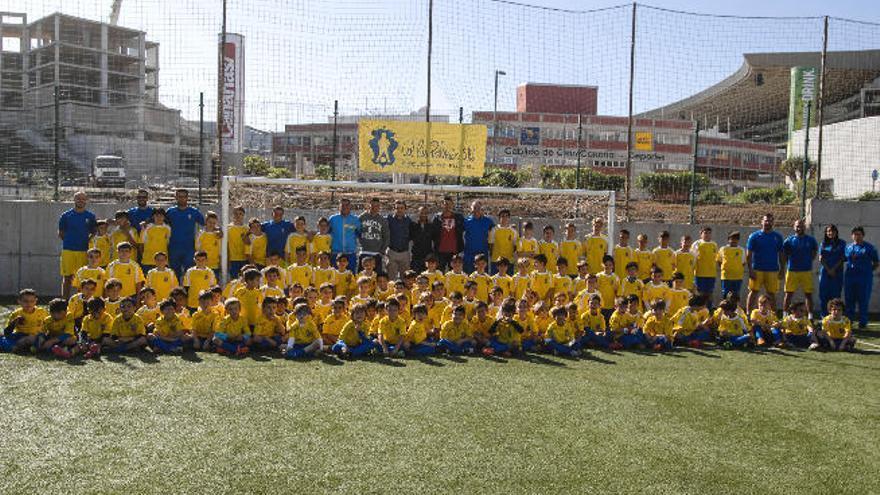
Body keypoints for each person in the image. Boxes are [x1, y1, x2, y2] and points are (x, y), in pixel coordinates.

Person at [58, 191, 97, 299]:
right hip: (68, 250)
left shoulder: (90, 216)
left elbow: (94, 231)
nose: (81, 201)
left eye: (83, 199)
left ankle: (81, 301)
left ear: (86, 201)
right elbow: (61, 233)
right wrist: (69, 241)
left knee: (82, 279)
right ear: (74, 200)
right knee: (67, 277)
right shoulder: (66, 215)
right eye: (78, 198)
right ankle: (64, 301)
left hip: (83, 251)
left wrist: (86, 240)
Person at [745, 213, 784, 312]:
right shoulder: (754, 236)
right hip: (757, 269)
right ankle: (749, 314)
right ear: (762, 222)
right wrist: (750, 270)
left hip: (772, 270)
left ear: (773, 222)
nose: (768, 222)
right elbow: (748, 255)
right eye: (766, 220)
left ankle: (773, 316)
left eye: (770, 220)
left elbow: (781, 254)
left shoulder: (778, 237)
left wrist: (782, 269)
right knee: (753, 292)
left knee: (771, 294)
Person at [781, 219, 818, 316]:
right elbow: (784, 255)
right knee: (788, 294)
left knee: (808, 294)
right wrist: (783, 268)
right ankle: (785, 315)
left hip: (806, 271)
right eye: (797, 226)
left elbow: (814, 253)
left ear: (804, 227)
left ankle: (810, 316)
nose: (799, 228)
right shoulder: (789, 241)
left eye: (801, 226)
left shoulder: (811, 240)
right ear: (794, 227)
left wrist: (807, 261)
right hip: (792, 271)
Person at [843, 226, 878, 330]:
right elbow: (844, 259)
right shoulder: (848, 247)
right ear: (852, 236)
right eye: (855, 234)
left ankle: (863, 322)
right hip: (850, 277)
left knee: (863, 300)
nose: (857, 236)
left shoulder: (869, 247)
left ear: (863, 235)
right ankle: (849, 321)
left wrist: (867, 271)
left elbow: (876, 263)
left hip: (864, 278)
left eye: (859, 234)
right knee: (849, 300)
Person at [165, 189, 205, 278]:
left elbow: (206, 224)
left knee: (189, 274)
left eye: (184, 197)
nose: (182, 199)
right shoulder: (170, 212)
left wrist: (218, 229)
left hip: (189, 248)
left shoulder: (194, 212)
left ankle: (188, 292)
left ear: (187, 198)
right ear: (176, 198)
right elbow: (160, 223)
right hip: (173, 248)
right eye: (179, 197)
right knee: (175, 274)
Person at [818, 224, 846, 318]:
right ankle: (824, 318)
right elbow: (820, 258)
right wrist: (828, 269)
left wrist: (833, 269)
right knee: (823, 296)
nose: (831, 233)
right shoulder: (823, 244)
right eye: (828, 231)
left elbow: (842, 258)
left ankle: (836, 318)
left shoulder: (842, 243)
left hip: (837, 273)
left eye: (833, 231)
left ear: (836, 232)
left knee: (835, 297)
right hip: (825, 273)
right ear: (826, 233)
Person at [432, 197, 465, 271]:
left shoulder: (459, 217)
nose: (447, 206)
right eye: (445, 204)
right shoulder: (437, 218)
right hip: (440, 252)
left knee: (454, 274)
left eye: (449, 204)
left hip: (454, 251)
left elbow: (463, 230)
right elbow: (433, 233)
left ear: (453, 205)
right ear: (442, 205)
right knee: (439, 273)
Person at [358, 197, 390, 276]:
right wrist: (361, 243)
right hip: (364, 252)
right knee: (362, 276)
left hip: (376, 253)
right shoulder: (361, 217)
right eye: (372, 205)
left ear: (379, 207)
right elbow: (356, 231)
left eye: (376, 206)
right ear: (368, 206)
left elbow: (386, 236)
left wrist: (382, 251)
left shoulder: (382, 220)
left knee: (376, 277)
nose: (374, 208)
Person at [328, 198, 361, 271]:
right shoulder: (333, 219)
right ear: (339, 206)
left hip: (350, 254)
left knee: (350, 277)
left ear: (350, 207)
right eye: (343, 205)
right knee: (335, 277)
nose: (345, 207)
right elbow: (325, 232)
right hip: (336, 253)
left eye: (347, 205)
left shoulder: (355, 219)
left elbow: (360, 233)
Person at [386, 199, 413, 281]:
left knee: (405, 278)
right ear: (394, 209)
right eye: (397, 208)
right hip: (392, 252)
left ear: (405, 209)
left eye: (401, 208)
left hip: (404, 253)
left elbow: (411, 235)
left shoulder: (409, 221)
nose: (399, 210)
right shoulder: (389, 219)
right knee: (391, 279)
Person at [691, 227, 718, 305]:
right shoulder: (697, 244)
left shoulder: (714, 244)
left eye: (709, 233)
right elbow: (693, 258)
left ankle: (709, 309)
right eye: (705, 233)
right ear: (701, 234)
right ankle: (699, 308)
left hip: (711, 274)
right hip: (700, 273)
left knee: (709, 293)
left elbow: (716, 258)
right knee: (700, 293)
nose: (707, 235)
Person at [410, 206, 435, 273]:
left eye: (425, 213)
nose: (423, 214)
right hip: (416, 257)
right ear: (418, 213)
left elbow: (435, 240)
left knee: (427, 277)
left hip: (427, 257)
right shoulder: (413, 225)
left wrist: (432, 254)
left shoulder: (431, 226)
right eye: (421, 213)